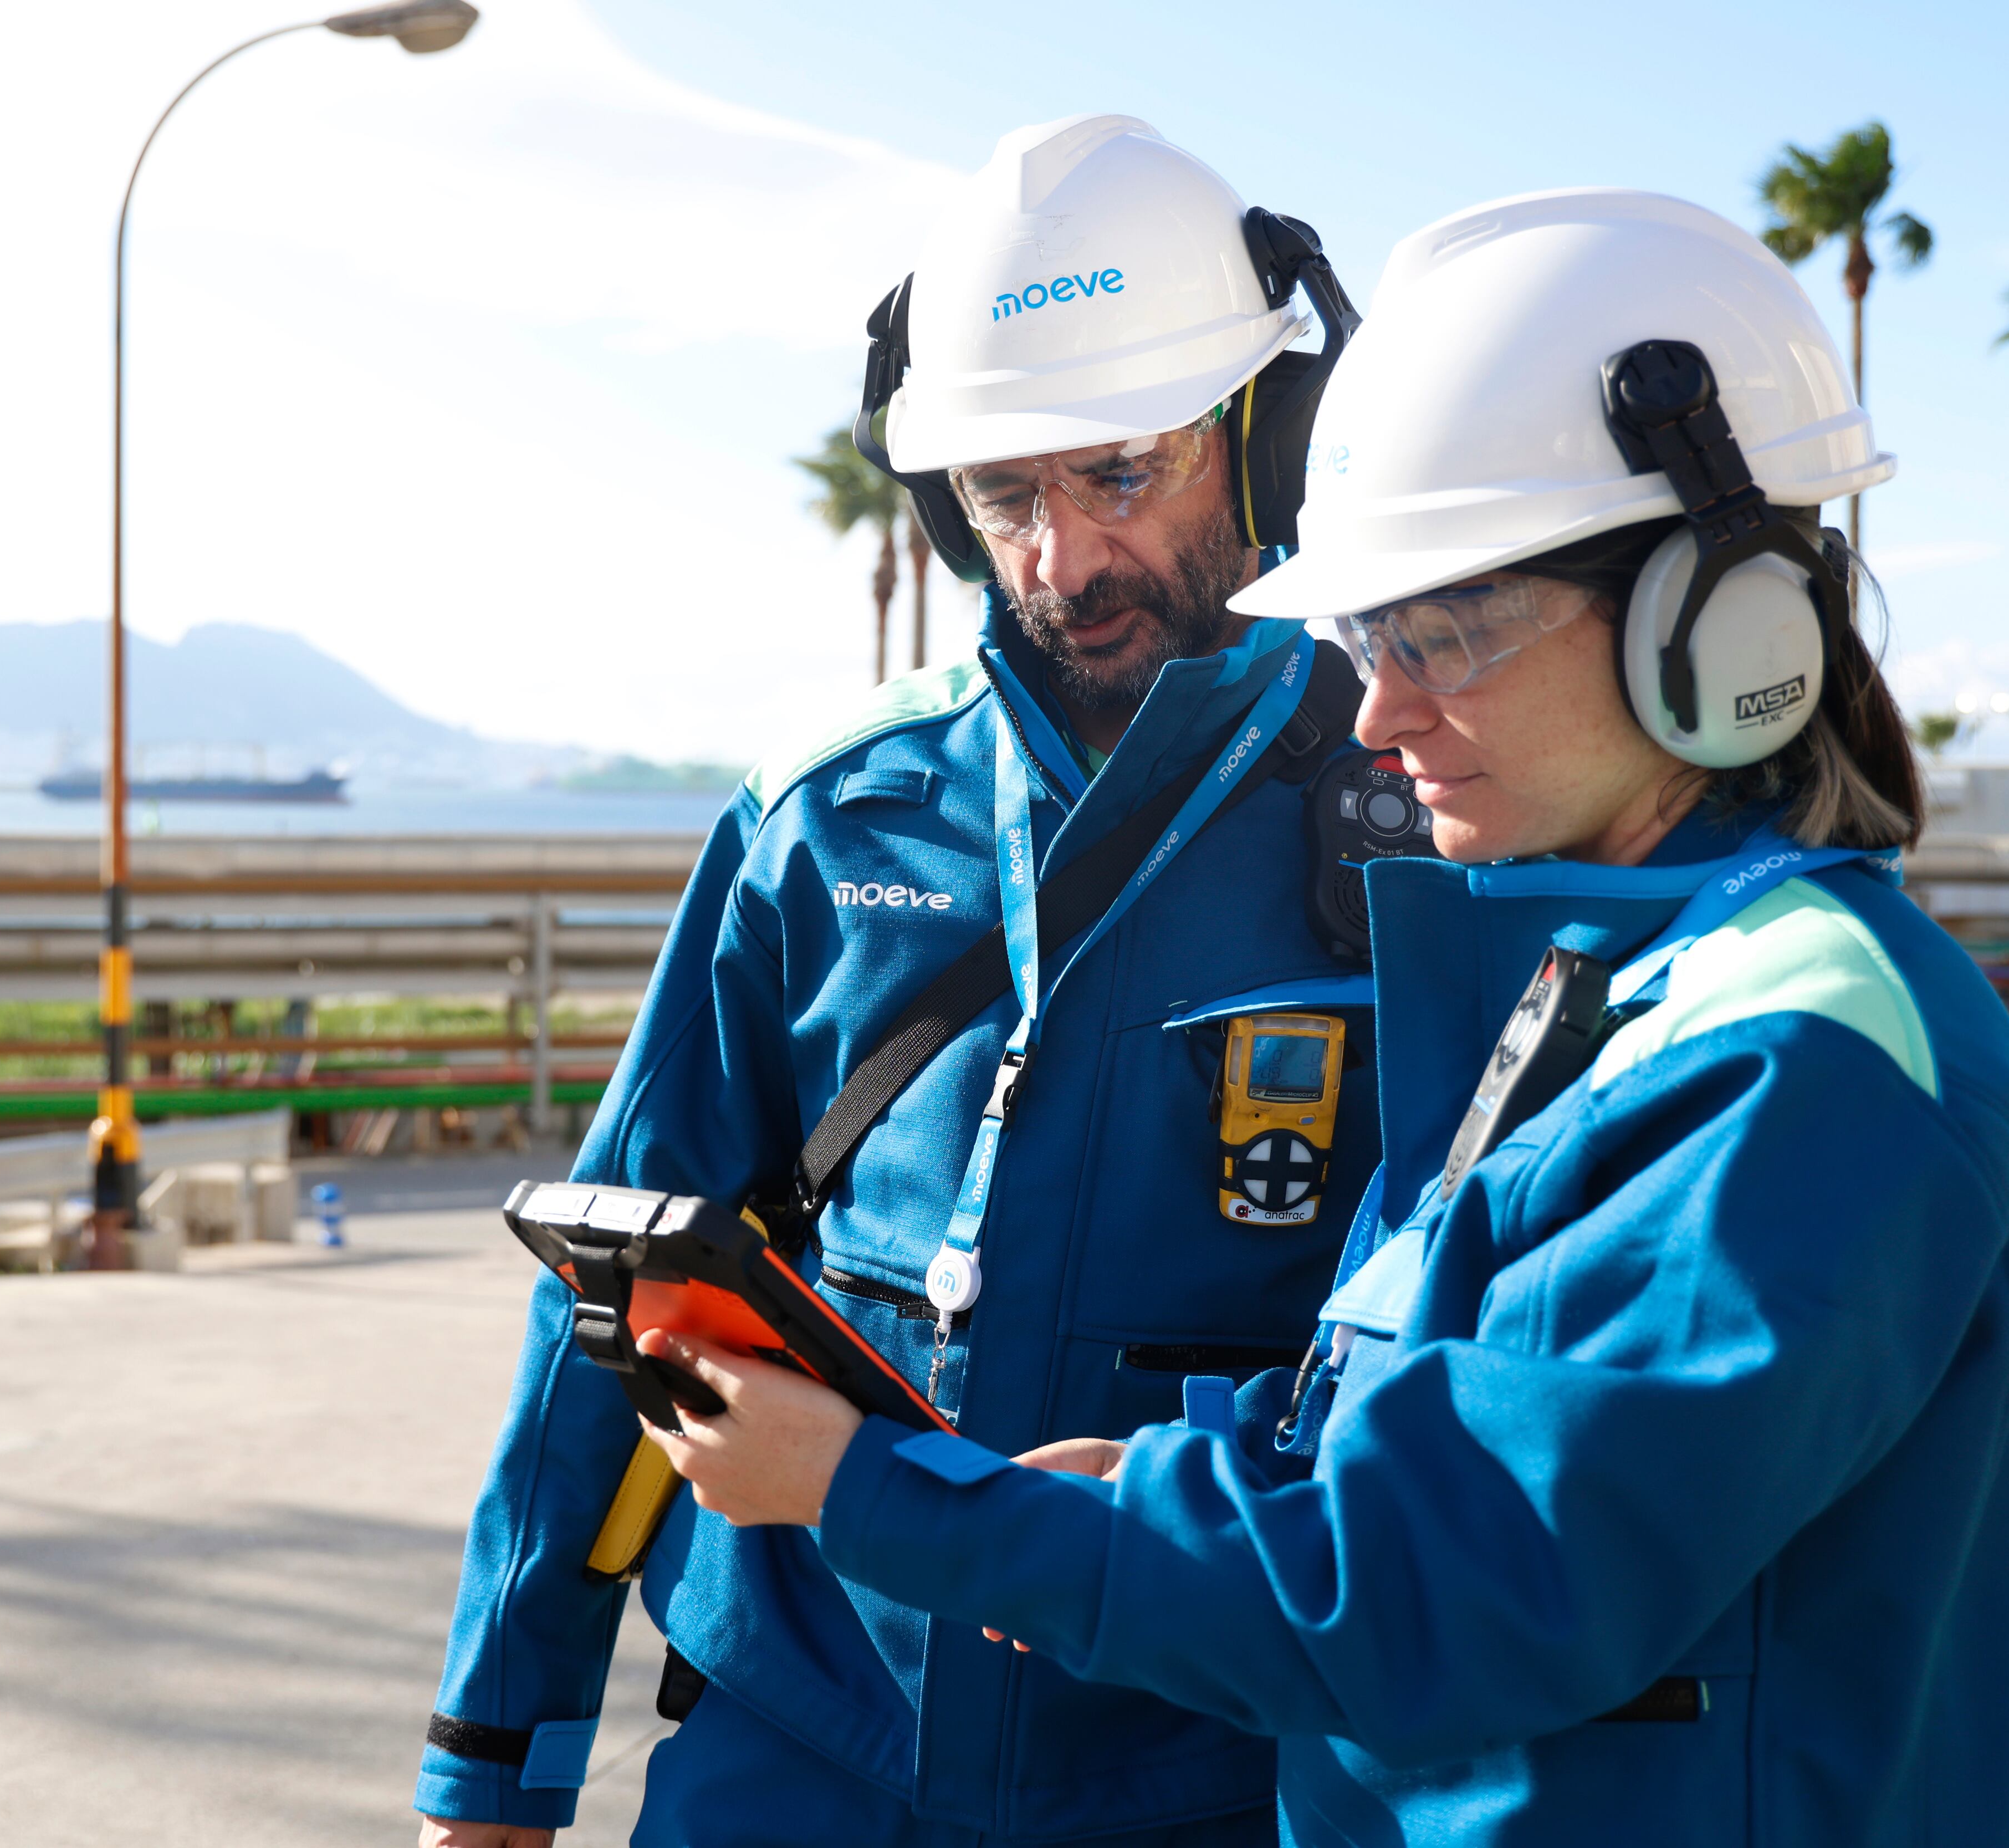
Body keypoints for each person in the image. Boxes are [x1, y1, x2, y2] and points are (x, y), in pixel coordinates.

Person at [633, 187, 2009, 1845]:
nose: (1380, 709)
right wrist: (1142, 1475)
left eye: (1444, 632)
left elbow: (1436, 1589)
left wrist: (872, 1490)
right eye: (1369, 635)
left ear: (1716, 621)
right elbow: (1397, 1423)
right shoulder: (1601, 993)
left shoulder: (1807, 1068)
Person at [418, 115, 1379, 1847]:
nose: (1061, 562)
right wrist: (494, 1755)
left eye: (1119, 473)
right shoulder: (821, 819)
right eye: (1006, 494)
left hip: (1209, 1781)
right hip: (794, 1753)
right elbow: (605, 1299)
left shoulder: (1415, 836)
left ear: (1264, 444)